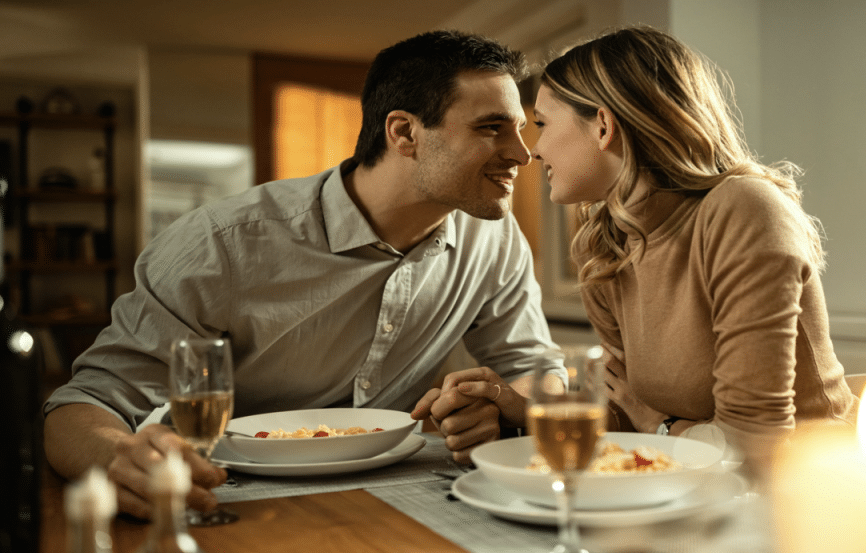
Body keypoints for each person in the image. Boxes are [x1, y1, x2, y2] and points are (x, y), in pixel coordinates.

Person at [43, 30, 561, 520]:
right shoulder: (221, 244)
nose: (522, 152)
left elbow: (535, 367)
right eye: (491, 127)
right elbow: (85, 404)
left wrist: (505, 406)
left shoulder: (495, 240)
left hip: (404, 492)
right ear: (404, 132)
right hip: (227, 497)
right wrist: (117, 458)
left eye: (521, 128)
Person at [446, 25, 858, 471]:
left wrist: (658, 424)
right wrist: (522, 410)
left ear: (603, 126)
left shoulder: (742, 210)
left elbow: (753, 450)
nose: (534, 152)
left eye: (542, 124)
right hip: (682, 484)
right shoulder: (605, 242)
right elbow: (625, 407)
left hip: (807, 493)